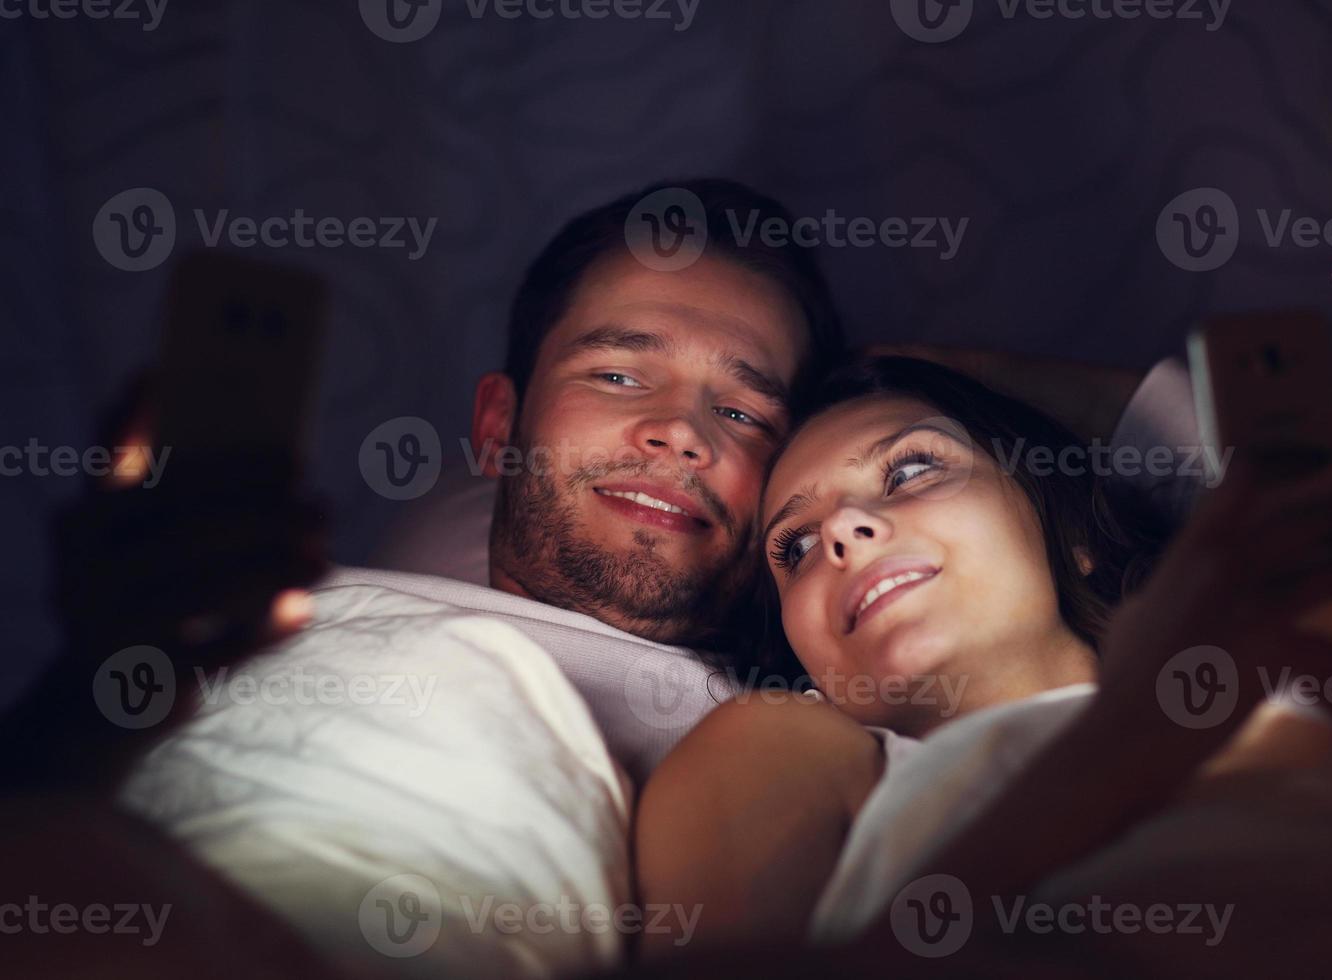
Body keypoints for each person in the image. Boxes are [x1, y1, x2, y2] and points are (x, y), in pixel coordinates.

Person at [2, 178, 844, 978]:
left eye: (742, 412)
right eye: (618, 375)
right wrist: (93, 673)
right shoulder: (253, 610)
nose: (679, 433)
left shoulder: (788, 742)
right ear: (497, 427)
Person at [636, 356, 1332, 974]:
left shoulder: (1317, 690)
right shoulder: (781, 742)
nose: (847, 527)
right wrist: (1135, 731)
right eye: (797, 545)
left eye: (913, 467)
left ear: (1068, 533)